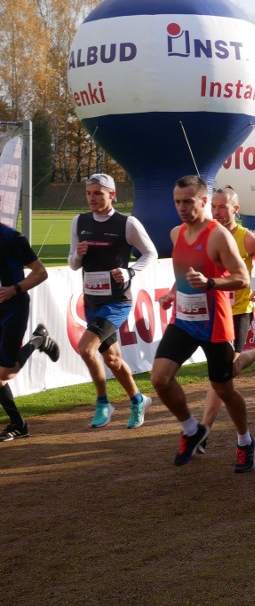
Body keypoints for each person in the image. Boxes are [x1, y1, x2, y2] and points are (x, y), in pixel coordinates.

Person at [152, 175, 255, 472]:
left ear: (203, 201)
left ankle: (245, 441)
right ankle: (190, 429)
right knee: (159, 378)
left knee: (223, 389)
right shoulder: (175, 234)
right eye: (177, 202)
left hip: (215, 323)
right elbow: (184, 274)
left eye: (187, 201)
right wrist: (172, 293)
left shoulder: (217, 235)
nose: (181, 207)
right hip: (184, 319)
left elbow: (242, 278)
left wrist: (210, 282)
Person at [68, 173, 158, 429]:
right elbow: (73, 264)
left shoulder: (127, 223)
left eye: (98, 193)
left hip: (117, 301)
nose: (92, 198)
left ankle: (102, 402)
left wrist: (130, 271)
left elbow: (150, 252)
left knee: (86, 348)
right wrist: (77, 254)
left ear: (112, 194)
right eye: (89, 193)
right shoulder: (79, 221)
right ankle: (138, 399)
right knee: (113, 360)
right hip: (92, 300)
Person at [197, 186, 255, 452]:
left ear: (235, 209)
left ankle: (203, 431)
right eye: (214, 206)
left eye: (222, 207)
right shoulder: (206, 234)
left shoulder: (248, 239)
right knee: (223, 375)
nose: (217, 212)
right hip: (213, 311)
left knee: (222, 375)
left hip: (238, 312)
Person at [0, 224, 59, 442]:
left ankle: (38, 340)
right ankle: (18, 425)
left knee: (4, 374)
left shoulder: (11, 237)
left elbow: (40, 272)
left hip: (12, 309)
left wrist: (14, 289)